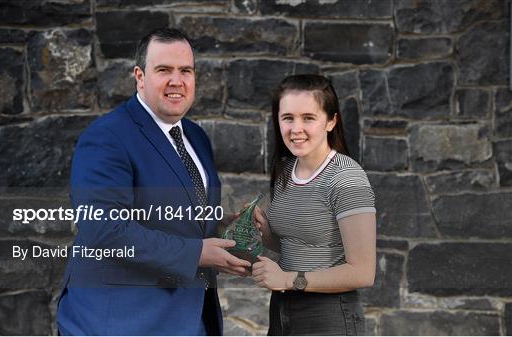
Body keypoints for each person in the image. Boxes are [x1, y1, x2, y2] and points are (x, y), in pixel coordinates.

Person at [56, 28, 251, 335]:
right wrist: (197, 253)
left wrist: (228, 227)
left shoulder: (195, 137)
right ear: (140, 76)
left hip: (188, 320)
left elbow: (183, 219)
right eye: (164, 70)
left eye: (186, 70)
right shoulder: (107, 136)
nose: (177, 81)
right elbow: (105, 229)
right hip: (120, 323)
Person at [252, 74, 376, 336]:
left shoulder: (346, 177)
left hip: (329, 315)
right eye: (288, 118)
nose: (296, 128)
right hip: (282, 310)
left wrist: (287, 279)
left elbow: (363, 272)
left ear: (331, 121)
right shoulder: (286, 170)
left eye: (308, 118)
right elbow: (303, 243)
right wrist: (266, 234)